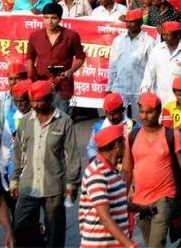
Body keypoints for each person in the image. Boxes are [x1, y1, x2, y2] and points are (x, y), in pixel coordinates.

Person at [123, 92, 181, 248]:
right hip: (140, 201)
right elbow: (126, 171)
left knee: (155, 244)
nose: (145, 116)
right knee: (150, 242)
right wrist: (122, 199)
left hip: (164, 197)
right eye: (142, 112)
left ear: (158, 112)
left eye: (149, 112)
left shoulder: (171, 135)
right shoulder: (131, 137)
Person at [11, 80, 81, 248]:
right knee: (21, 229)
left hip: (53, 188)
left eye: (39, 100)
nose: (35, 105)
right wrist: (14, 179)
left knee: (54, 234)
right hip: (28, 185)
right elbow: (18, 151)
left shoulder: (64, 121)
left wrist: (72, 183)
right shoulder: (26, 121)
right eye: (32, 101)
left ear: (50, 98)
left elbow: (72, 155)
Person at [79, 123, 135, 248]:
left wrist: (142, 208)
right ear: (117, 145)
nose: (126, 145)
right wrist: (129, 244)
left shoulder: (112, 170)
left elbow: (116, 202)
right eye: (123, 141)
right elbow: (104, 217)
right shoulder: (97, 173)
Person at [25, 3, 86, 115]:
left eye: (54, 18)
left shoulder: (71, 36)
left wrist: (69, 73)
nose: (50, 21)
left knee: (61, 119)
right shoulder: (35, 36)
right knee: (41, 117)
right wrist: (30, 73)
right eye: (46, 17)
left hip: (62, 84)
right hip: (40, 83)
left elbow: (81, 58)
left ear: (60, 19)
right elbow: (30, 58)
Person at [107, 9, 156, 119]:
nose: (129, 25)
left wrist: (149, 90)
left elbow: (152, 68)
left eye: (132, 22)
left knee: (139, 122)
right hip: (119, 88)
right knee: (116, 121)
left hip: (139, 89)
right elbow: (113, 65)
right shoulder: (118, 40)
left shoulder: (149, 42)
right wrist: (109, 87)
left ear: (140, 22)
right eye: (127, 21)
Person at [141, 20, 181, 104]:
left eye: (168, 35)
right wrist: (145, 90)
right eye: (164, 35)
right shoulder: (157, 50)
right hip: (160, 99)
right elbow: (149, 72)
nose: (165, 38)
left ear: (177, 35)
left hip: (180, 101)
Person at [87, 93, 137, 159]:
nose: (111, 118)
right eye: (108, 114)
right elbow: (91, 148)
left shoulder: (134, 126)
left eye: (114, 114)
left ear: (122, 110)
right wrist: (95, 159)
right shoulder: (99, 127)